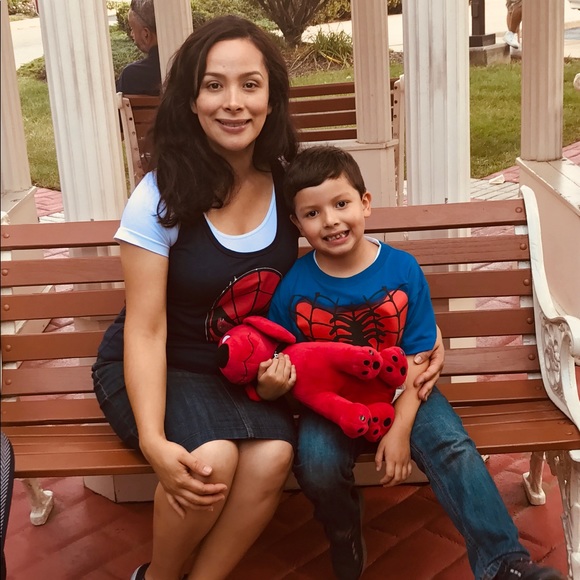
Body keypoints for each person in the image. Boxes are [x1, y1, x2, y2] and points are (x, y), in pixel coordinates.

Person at [93, 15, 444, 580]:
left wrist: (429, 333)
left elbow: (349, 262)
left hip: (241, 372)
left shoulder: (287, 185)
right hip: (155, 365)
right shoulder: (159, 196)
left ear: (272, 99)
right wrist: (154, 440)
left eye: (250, 85)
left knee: (274, 455)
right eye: (214, 85)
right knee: (210, 462)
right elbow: (145, 329)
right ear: (190, 100)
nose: (233, 103)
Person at [268, 145, 565, 580]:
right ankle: (343, 528)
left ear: (365, 204)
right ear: (297, 224)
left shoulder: (402, 270)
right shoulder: (294, 285)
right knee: (316, 463)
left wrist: (400, 427)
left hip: (405, 389)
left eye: (341, 204)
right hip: (334, 403)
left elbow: (419, 357)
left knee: (453, 448)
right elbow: (286, 353)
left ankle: (505, 562)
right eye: (312, 213)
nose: (330, 220)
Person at [116, 0, 161, 96]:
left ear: (146, 34)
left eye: (132, 29)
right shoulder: (187, 65)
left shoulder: (131, 76)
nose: (131, 34)